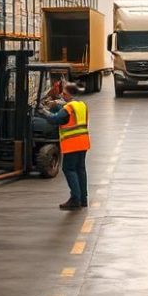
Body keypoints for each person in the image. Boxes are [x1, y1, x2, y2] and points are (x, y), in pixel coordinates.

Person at [46, 82, 90, 210]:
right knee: (80, 170)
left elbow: (55, 119)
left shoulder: (69, 107)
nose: (62, 95)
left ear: (70, 94)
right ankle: (83, 199)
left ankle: (75, 198)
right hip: (83, 143)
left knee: (69, 169)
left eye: (64, 93)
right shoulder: (82, 105)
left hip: (72, 143)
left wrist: (44, 112)